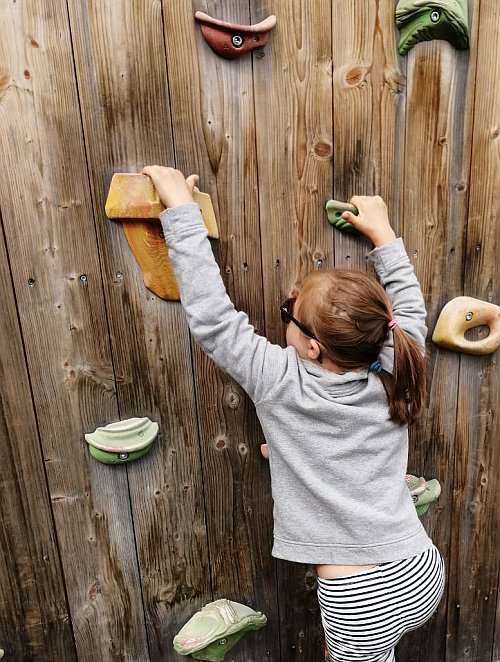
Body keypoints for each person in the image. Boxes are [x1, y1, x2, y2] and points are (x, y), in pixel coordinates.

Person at [142, 166, 445, 662]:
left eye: (290, 313)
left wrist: (180, 210)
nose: (284, 311)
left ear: (310, 346)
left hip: (359, 594)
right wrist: (384, 233)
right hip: (419, 564)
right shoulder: (395, 364)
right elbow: (409, 307)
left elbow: (215, 320)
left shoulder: (279, 380)